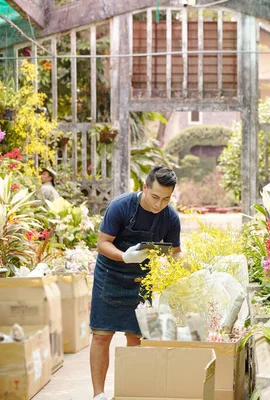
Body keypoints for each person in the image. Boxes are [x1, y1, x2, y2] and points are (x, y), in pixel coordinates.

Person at [89, 165, 182, 400]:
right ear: (144, 188)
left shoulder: (170, 217)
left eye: (166, 199)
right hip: (109, 274)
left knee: (135, 336)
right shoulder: (120, 206)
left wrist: (188, 273)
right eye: (155, 197)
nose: (159, 204)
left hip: (141, 279)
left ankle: (130, 393)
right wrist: (123, 256)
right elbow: (102, 243)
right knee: (101, 335)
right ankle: (98, 394)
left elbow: (175, 253)